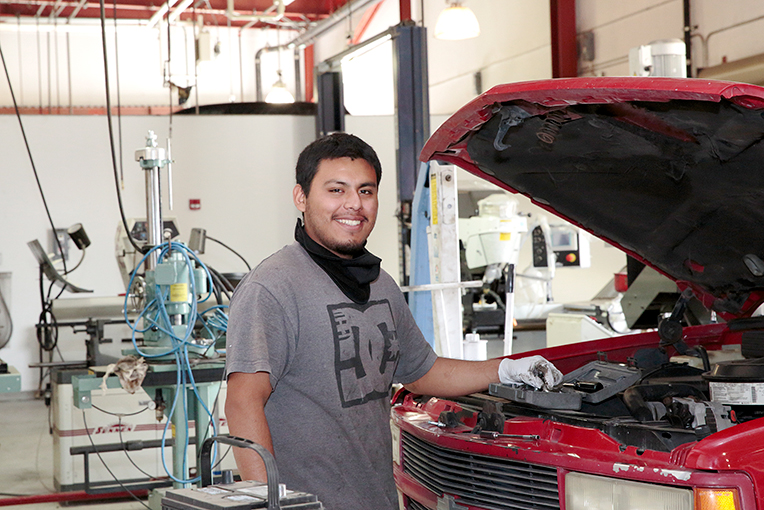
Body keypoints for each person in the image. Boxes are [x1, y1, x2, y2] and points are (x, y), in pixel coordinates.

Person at [224, 132, 561, 510]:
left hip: (376, 498)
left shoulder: (380, 285)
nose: (354, 204)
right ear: (301, 197)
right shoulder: (272, 287)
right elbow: (242, 403)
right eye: (336, 190)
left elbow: (423, 372)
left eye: (366, 191)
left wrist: (506, 369)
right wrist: (269, 503)